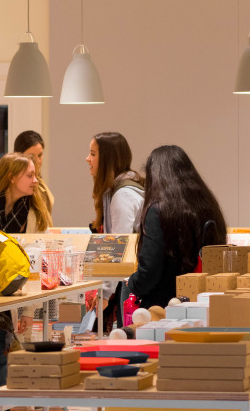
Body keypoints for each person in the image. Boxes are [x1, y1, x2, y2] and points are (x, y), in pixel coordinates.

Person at [126, 145, 227, 310]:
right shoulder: (207, 206)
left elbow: (149, 271)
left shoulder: (158, 210)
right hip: (204, 302)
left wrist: (132, 283)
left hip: (164, 308)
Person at [87, 131, 144, 234]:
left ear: (107, 159)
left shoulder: (123, 195)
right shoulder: (113, 190)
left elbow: (119, 244)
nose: (87, 159)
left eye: (93, 154)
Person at [12, 130, 54, 225]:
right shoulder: (19, 186)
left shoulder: (40, 182)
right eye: (31, 157)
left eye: (40, 155)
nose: (37, 161)